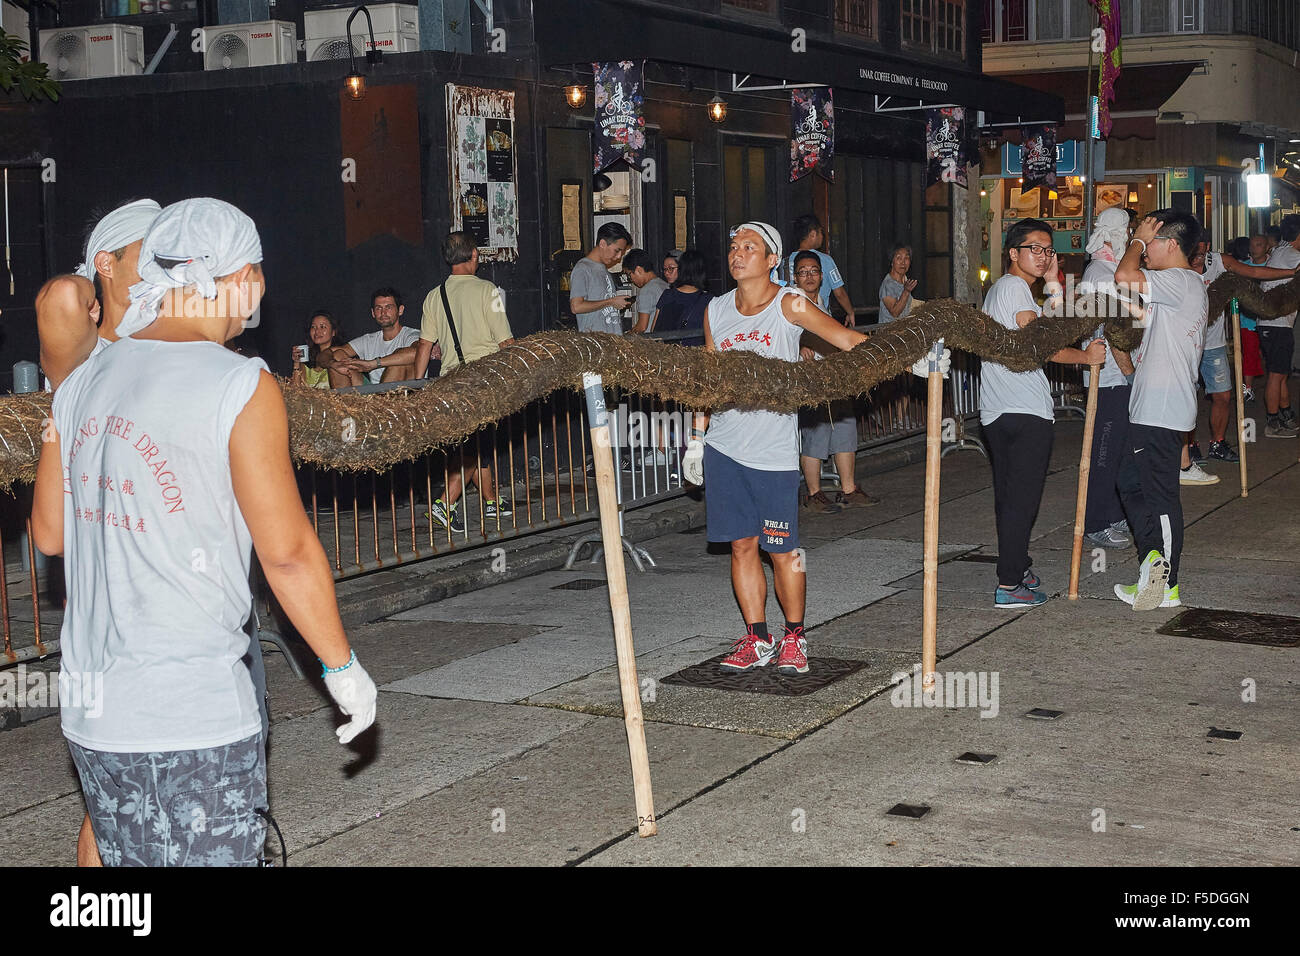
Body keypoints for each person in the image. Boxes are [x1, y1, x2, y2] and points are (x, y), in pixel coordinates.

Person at [32, 197, 376, 867]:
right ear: (234, 277)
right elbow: (287, 553)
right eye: (257, 273)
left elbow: (48, 534)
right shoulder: (238, 384)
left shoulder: (80, 383)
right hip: (194, 715)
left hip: (96, 718)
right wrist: (342, 667)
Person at [681, 222, 869, 676]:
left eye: (750, 247)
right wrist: (696, 438)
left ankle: (794, 637)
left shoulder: (790, 303)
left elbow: (846, 340)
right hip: (725, 447)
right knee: (742, 546)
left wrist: (910, 358)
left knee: (782, 549)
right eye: (733, 246)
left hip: (773, 452)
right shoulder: (717, 309)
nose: (738, 253)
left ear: (771, 261)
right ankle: (756, 637)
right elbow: (710, 378)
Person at [980, 218, 1105, 609]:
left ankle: (1017, 565)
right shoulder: (1013, 287)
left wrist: (1053, 284)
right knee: (1022, 501)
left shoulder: (1008, 290)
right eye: (1034, 248)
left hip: (1001, 409)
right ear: (1013, 253)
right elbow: (1040, 343)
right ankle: (1009, 583)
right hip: (1022, 411)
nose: (1043, 255)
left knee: (1010, 497)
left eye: (1048, 249)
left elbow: (1046, 327)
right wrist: (1085, 358)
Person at [1112, 209, 1209, 610]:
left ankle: (1168, 583)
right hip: (1151, 406)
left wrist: (1134, 240)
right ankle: (1151, 563)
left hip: (1163, 408)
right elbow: (1132, 301)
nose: (1144, 248)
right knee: (1129, 484)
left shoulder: (1181, 280)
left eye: (1151, 240)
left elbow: (1125, 277)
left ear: (1170, 243)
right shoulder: (1179, 288)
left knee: (1162, 497)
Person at [415, 231, 517, 532]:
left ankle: (488, 500)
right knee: (475, 446)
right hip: (484, 381)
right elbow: (506, 342)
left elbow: (424, 346)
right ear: (474, 255)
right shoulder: (489, 291)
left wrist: (415, 387)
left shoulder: (435, 296)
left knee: (470, 446)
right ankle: (445, 504)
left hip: (451, 383)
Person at [1185, 234, 1296, 466]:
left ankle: (1218, 443)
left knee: (1223, 396)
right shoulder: (1177, 265)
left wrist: (1290, 274)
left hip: (1213, 345)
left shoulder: (1218, 262)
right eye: (1195, 253)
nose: (1199, 258)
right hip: (1185, 345)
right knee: (1188, 398)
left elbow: (1254, 273)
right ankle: (1189, 446)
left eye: (1203, 252)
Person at [38, 199, 162, 392]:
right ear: (105, 264)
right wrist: (86, 285)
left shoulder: (173, 348)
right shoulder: (89, 355)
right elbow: (63, 293)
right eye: (152, 253)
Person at [792, 249, 878, 514]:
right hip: (809, 379)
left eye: (814, 272)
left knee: (844, 427)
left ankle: (849, 489)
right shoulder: (791, 302)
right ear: (795, 277)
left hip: (833, 376)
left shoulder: (822, 302)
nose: (809, 277)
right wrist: (799, 347)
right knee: (815, 433)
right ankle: (814, 493)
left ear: (821, 276)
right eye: (803, 272)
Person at [1078, 208, 1137, 550]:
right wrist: (1129, 373)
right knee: (1103, 450)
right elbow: (1111, 330)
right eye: (1126, 229)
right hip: (1108, 376)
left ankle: (1113, 513)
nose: (1129, 235)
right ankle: (1095, 522)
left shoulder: (1111, 270)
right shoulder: (1100, 274)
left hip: (1116, 375)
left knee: (1117, 450)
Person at [1257, 214, 1300, 437]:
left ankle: (1285, 413)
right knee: (1276, 374)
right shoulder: (1292, 255)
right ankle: (1272, 422)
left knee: (1281, 373)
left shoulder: (1281, 250)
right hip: (1277, 324)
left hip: (1272, 323)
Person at [323, 288, 421, 385]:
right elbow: (325, 354)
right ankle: (343, 400)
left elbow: (419, 352)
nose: (383, 312)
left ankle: (383, 399)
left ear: (400, 310)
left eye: (389, 307)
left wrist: (372, 364)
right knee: (337, 355)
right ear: (373, 313)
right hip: (371, 396)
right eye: (378, 308)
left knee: (399, 360)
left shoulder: (411, 335)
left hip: (400, 396)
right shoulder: (368, 340)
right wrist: (332, 363)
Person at [787, 214, 855, 324]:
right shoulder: (824, 260)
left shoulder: (786, 261)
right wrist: (850, 312)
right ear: (813, 234)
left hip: (794, 321)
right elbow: (839, 293)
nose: (822, 237)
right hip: (820, 321)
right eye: (821, 233)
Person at [570, 222, 633, 334]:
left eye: (622, 253)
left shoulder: (604, 270)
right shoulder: (583, 268)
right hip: (596, 345)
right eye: (617, 250)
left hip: (611, 343)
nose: (619, 257)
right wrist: (611, 301)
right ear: (603, 243)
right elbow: (576, 306)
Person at [647, 248, 711, 341]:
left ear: (681, 270)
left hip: (667, 353)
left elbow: (654, 331)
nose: (666, 273)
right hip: (697, 353)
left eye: (671, 268)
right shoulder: (708, 300)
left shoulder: (667, 295)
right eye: (665, 269)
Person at [290, 310, 345, 389]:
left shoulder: (339, 356)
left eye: (322, 327)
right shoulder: (306, 363)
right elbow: (295, 393)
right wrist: (296, 363)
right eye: (313, 327)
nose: (317, 331)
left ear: (333, 332)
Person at [624, 249, 670, 334]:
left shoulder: (646, 291)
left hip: (651, 343)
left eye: (629, 275)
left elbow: (642, 327)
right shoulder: (665, 285)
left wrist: (625, 336)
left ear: (638, 270)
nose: (631, 280)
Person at [878, 243, 918, 323]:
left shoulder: (905, 280)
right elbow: (895, 312)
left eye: (907, 258)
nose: (903, 262)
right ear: (892, 262)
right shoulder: (888, 284)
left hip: (903, 331)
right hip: (890, 333)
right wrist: (906, 292)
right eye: (899, 258)